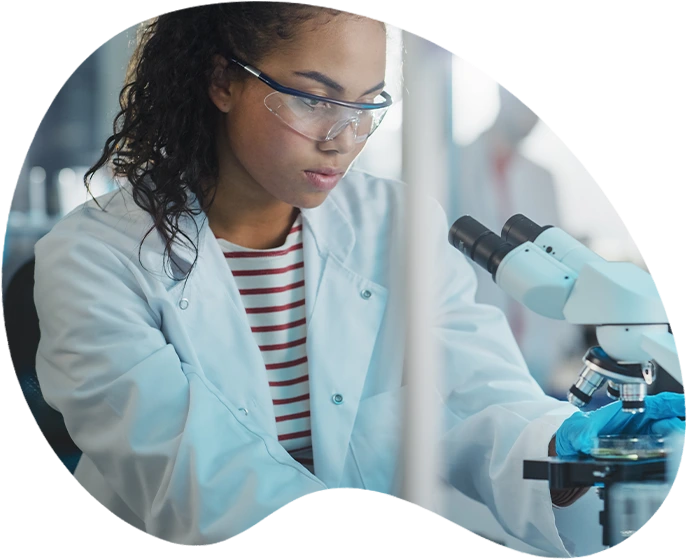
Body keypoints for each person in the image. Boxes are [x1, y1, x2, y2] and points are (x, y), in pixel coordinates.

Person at [31, 3, 685, 554]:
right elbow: (199, 480)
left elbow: (476, 396)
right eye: (314, 99)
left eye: (366, 104)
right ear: (222, 80)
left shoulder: (394, 223)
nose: (343, 137)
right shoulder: (92, 259)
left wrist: (567, 448)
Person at [444, 85, 583, 392]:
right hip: (472, 338)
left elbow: (562, 262)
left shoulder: (542, 177)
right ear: (502, 93)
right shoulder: (450, 163)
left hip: (537, 348)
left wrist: (563, 341)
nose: (532, 115)